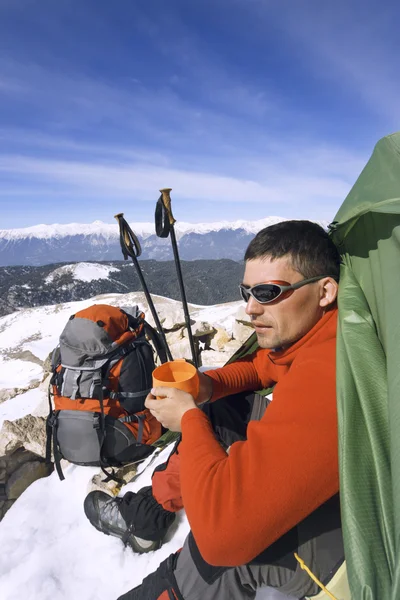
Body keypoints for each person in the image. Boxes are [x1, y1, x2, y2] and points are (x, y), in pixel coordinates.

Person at [84, 220, 347, 600]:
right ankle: (148, 518)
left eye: (269, 292)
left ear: (324, 291)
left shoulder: (329, 372)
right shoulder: (317, 334)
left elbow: (223, 538)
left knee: (218, 561)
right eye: (247, 291)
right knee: (219, 408)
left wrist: (188, 420)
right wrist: (210, 386)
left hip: (349, 532)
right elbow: (262, 367)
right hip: (332, 479)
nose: (251, 308)